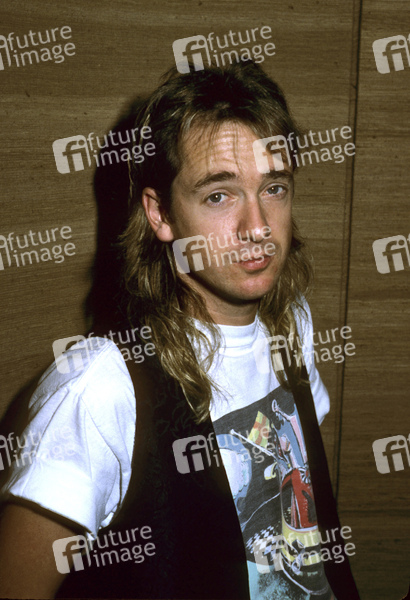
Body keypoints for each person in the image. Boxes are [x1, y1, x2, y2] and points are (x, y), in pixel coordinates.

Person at [0, 61, 359, 600]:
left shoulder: (292, 321)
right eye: (219, 195)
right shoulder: (98, 388)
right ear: (161, 214)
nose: (258, 226)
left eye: (274, 188)